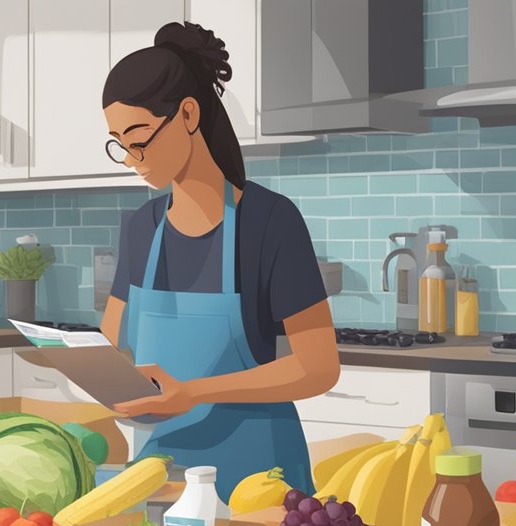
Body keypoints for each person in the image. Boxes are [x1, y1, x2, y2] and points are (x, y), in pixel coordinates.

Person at [99, 21, 340, 501]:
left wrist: (193, 393)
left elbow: (319, 367)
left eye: (139, 137)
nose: (132, 158)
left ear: (187, 114)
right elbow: (112, 342)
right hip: (159, 480)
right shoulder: (140, 229)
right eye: (119, 145)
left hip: (259, 486)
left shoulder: (270, 222)